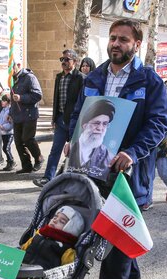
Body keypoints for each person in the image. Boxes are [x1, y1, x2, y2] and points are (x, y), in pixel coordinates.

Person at [66, 18, 167, 279]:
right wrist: (72, 139)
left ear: (137, 45)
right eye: (113, 38)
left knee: (116, 228)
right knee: (103, 224)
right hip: (92, 167)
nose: (116, 44)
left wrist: (133, 152)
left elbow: (159, 122)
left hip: (128, 170)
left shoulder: (149, 81)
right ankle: (131, 274)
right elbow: (78, 115)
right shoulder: (94, 77)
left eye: (123, 39)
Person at [9, 206, 85, 279]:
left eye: (61, 221)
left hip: (39, 278)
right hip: (21, 268)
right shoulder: (38, 235)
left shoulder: (66, 249)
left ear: (71, 228)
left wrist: (48, 276)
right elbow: (23, 249)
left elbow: (68, 270)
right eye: (55, 217)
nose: (55, 220)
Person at [33, 49, 85, 187]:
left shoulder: (80, 78)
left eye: (67, 59)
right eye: (62, 59)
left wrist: (81, 121)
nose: (63, 62)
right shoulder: (59, 77)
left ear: (74, 61)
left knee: (75, 152)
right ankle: (47, 178)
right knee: (55, 150)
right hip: (60, 119)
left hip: (74, 120)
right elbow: (56, 99)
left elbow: (83, 101)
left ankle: (74, 180)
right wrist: (54, 118)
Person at [10, 63, 44, 174]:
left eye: (12, 67)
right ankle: (26, 165)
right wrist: (10, 113)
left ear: (18, 65)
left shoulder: (29, 77)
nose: (10, 70)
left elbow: (37, 95)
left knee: (28, 138)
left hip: (29, 115)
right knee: (18, 142)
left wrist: (21, 98)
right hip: (17, 115)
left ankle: (38, 158)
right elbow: (12, 100)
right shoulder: (14, 80)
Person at [69, 98, 115, 172]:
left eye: (105, 124)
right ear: (84, 125)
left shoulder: (108, 157)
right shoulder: (72, 147)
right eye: (96, 123)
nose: (100, 128)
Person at [0, 95, 15, 170]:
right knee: (6, 148)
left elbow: (11, 123)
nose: (2, 102)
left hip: (9, 133)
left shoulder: (9, 111)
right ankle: (9, 163)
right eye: (2, 100)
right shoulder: (3, 110)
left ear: (8, 102)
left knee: (6, 148)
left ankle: (11, 161)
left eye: (4, 101)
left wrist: (4, 127)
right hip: (3, 133)